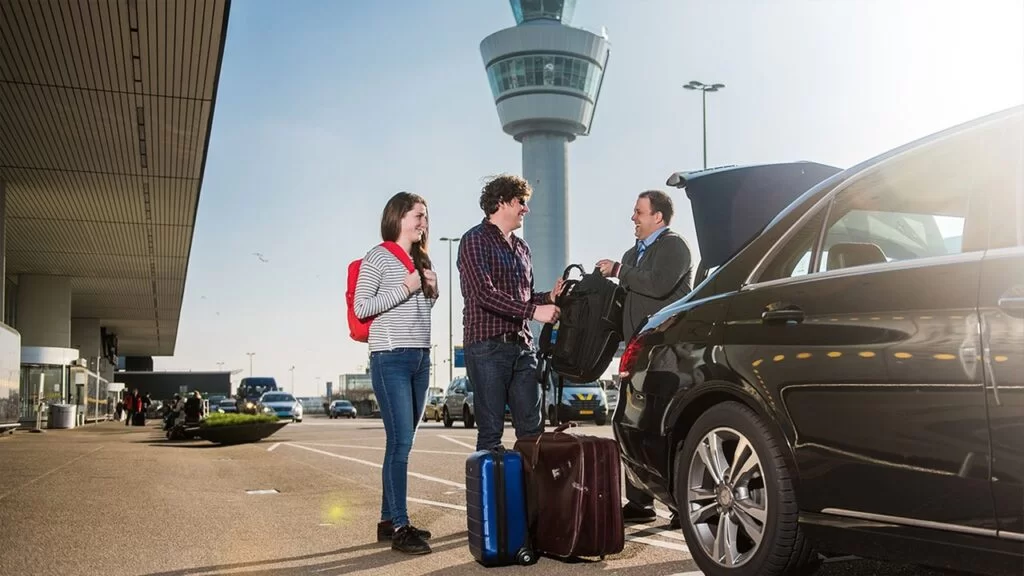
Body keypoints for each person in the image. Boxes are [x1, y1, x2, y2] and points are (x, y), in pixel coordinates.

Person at [596, 189, 693, 527]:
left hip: (667, 353)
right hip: (636, 354)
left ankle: (684, 505)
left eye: (639, 212)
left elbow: (659, 285)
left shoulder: (674, 246)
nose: (633, 218)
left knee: (666, 426)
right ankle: (639, 501)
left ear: (658, 217)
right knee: (630, 424)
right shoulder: (630, 253)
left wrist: (620, 269)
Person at [353, 191, 438, 555]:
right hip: (390, 358)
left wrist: (431, 292)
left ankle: (389, 521)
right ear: (398, 216)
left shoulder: (421, 259)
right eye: (417, 215)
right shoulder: (379, 256)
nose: (422, 222)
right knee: (401, 443)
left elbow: (421, 311)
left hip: (420, 359)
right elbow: (361, 307)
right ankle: (401, 527)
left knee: (401, 442)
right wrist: (407, 287)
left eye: (425, 216)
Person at [457, 174, 563, 452]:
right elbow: (484, 293)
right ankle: (494, 496)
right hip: (487, 348)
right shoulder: (474, 240)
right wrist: (534, 310)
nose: (526, 209)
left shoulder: (522, 247)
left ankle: (529, 496)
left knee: (532, 432)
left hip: (522, 349)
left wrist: (549, 297)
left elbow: (525, 297)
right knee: (491, 433)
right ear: (501, 201)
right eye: (521, 202)